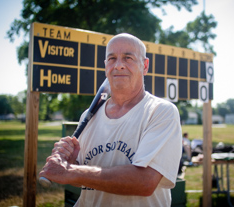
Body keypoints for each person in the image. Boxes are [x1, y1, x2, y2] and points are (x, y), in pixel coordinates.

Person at [39, 33, 182, 206]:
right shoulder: (88, 116)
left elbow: (144, 182)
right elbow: (83, 179)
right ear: (105, 65)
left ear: (145, 66)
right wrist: (71, 162)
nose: (119, 65)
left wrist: (70, 171)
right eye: (112, 58)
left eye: (128, 58)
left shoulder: (161, 112)